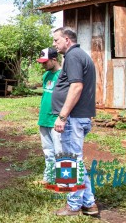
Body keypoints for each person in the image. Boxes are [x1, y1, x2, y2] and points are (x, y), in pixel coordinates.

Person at [51, 27, 98, 216]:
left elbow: (76, 87)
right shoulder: (79, 55)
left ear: (67, 40)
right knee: (75, 159)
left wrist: (62, 116)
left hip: (73, 118)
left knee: (69, 162)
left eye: (56, 40)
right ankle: (89, 203)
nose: (54, 44)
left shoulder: (73, 56)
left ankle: (73, 205)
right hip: (79, 117)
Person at [36, 47, 62, 185]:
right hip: (44, 118)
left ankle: (64, 181)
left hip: (56, 119)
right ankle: (49, 178)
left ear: (54, 59)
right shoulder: (46, 76)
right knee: (48, 151)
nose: (43, 65)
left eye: (45, 62)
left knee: (60, 152)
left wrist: (62, 117)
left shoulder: (63, 75)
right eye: (41, 62)